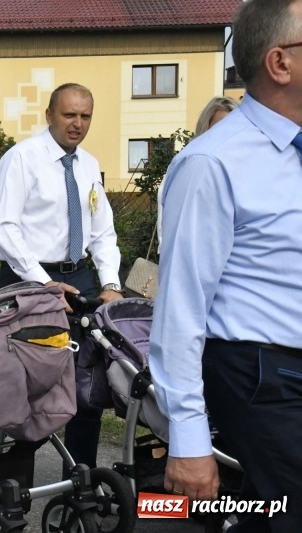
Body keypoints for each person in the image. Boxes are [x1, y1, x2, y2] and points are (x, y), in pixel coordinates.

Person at [150, 0, 302, 530]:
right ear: (280, 64)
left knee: (271, 513)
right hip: (264, 374)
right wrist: (189, 440)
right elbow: (181, 309)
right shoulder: (213, 163)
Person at [0, 83, 123, 475]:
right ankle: (2, 483)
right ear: (49, 115)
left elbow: (102, 233)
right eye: (69, 115)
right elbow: (5, 228)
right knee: (25, 384)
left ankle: (80, 483)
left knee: (88, 387)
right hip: (28, 277)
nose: (77, 124)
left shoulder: (87, 164)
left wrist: (110, 283)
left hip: (77, 276)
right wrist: (41, 283)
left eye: (85, 116)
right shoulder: (22, 159)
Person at [156, 95, 238, 254]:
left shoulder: (248, 172)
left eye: (233, 129)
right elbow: (171, 233)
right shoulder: (188, 169)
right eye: (219, 129)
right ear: (205, 130)